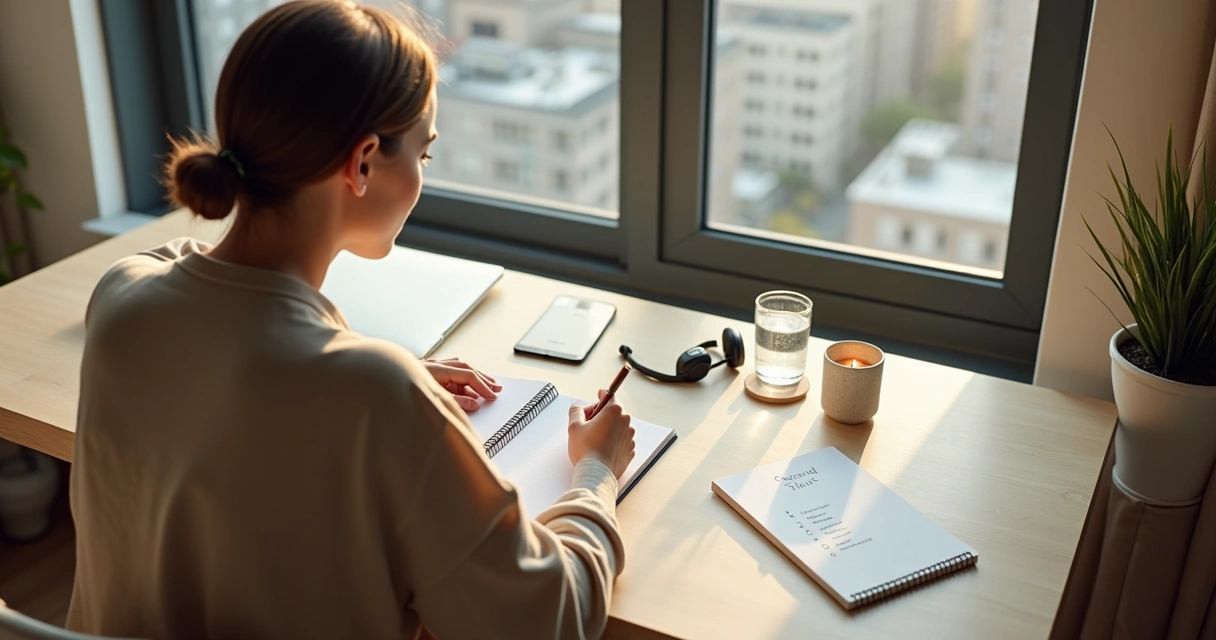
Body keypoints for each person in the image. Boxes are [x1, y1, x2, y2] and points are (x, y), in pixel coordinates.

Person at [66, 2, 637, 638]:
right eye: (425, 154)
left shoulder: (121, 295)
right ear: (362, 162)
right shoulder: (376, 394)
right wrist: (596, 473)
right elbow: (546, 621)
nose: (424, 175)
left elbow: (238, 341)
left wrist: (389, 372)